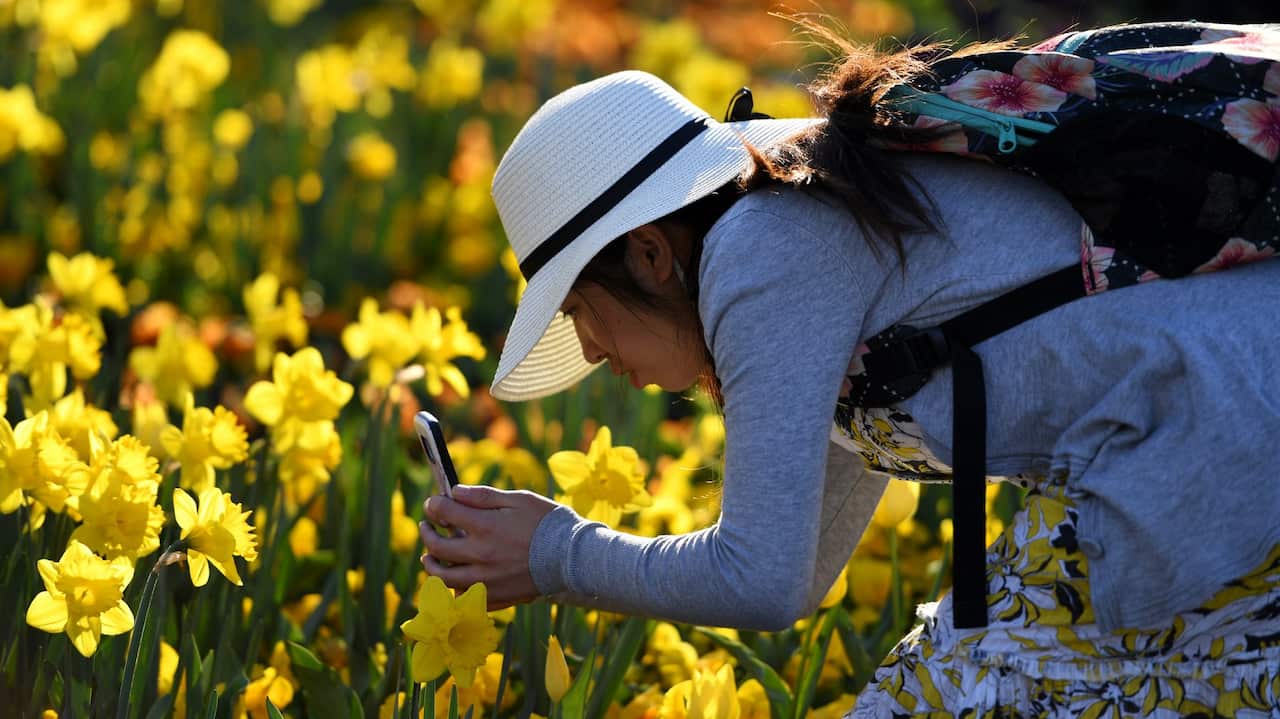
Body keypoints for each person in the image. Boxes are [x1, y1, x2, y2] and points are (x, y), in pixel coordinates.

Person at [419, 19, 1280, 715]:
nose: (596, 355)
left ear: (649, 255)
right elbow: (802, 571)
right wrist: (555, 552)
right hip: (1195, 437)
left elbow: (761, 578)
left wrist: (558, 554)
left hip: (1215, 433)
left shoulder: (766, 254)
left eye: (579, 314)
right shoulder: (801, 239)